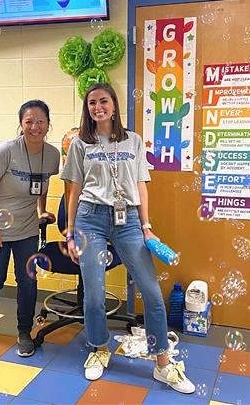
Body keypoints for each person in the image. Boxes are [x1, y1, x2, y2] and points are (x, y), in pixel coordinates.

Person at [61, 83, 195, 394]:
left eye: (103, 101)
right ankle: (100, 348)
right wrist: (71, 231)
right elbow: (74, 191)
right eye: (92, 102)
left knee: (150, 292)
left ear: (114, 104)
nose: (98, 107)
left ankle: (163, 362)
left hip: (129, 220)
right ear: (87, 108)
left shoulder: (133, 140)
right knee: (94, 294)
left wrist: (146, 226)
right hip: (90, 219)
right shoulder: (80, 143)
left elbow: (142, 184)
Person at [0, 100, 60, 357]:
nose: (35, 126)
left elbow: (42, 184)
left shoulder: (53, 155)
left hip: (27, 229)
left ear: (48, 125)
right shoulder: (6, 151)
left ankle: (25, 331)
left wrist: (41, 211)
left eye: (40, 121)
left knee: (27, 281)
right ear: (21, 125)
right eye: (29, 121)